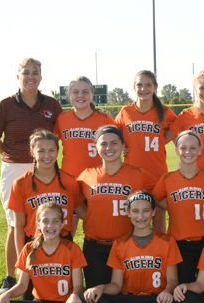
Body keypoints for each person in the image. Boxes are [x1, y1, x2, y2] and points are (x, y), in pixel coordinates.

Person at [0, 58, 62, 294]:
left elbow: (62, 134)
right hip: (14, 169)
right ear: (18, 76)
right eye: (26, 72)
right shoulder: (5, 105)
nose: (31, 76)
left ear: (41, 77)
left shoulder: (51, 103)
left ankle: (43, 269)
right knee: (15, 225)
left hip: (44, 168)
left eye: (35, 72)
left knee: (44, 221)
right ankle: (12, 277)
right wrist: (13, 155)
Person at [81, 191, 181, 303]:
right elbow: (116, 285)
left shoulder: (167, 242)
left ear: (153, 212)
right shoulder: (119, 243)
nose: (140, 216)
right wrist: (100, 288)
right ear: (128, 213)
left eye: (146, 211)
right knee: (86, 297)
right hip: (128, 299)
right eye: (135, 211)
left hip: (156, 299)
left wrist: (167, 292)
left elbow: (173, 281)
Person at [7, 129, 86, 299]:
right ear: (32, 152)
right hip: (33, 245)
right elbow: (19, 226)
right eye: (41, 151)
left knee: (65, 298)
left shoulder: (69, 181)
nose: (47, 155)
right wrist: (22, 265)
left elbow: (80, 212)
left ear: (58, 152)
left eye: (51, 150)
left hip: (63, 242)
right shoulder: (20, 183)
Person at [77, 125, 157, 288]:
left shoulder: (140, 175)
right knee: (96, 297)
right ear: (96, 147)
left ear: (123, 146)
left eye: (114, 143)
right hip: (95, 247)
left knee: (131, 294)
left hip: (128, 246)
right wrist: (92, 216)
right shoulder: (86, 175)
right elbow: (75, 203)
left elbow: (161, 198)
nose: (109, 148)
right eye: (103, 144)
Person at [0, 203, 86, 303]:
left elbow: (78, 286)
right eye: (45, 221)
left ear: (62, 224)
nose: (50, 226)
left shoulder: (72, 249)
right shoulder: (29, 248)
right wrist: (6, 295)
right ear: (38, 225)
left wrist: (74, 296)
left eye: (55, 221)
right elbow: (22, 285)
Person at [153, 130, 204, 284]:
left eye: (193, 147)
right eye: (183, 148)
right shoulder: (167, 179)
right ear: (176, 150)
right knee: (182, 286)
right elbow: (154, 200)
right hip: (179, 243)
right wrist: (172, 206)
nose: (188, 152)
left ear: (201, 149)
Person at [115, 70, 177, 233]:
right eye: (139, 85)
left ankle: (160, 255)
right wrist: (121, 144)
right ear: (133, 87)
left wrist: (165, 138)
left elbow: (179, 133)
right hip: (131, 173)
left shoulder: (165, 112)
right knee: (132, 220)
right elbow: (112, 134)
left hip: (157, 172)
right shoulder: (126, 112)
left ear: (155, 87)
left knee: (158, 222)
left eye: (148, 85)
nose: (144, 89)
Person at [54, 76, 116, 238]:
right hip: (69, 181)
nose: (80, 95)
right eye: (75, 92)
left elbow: (118, 145)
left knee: (100, 228)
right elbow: (50, 146)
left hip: (97, 182)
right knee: (66, 231)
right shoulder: (62, 119)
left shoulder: (104, 119)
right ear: (69, 95)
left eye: (85, 92)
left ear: (92, 94)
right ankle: (65, 261)